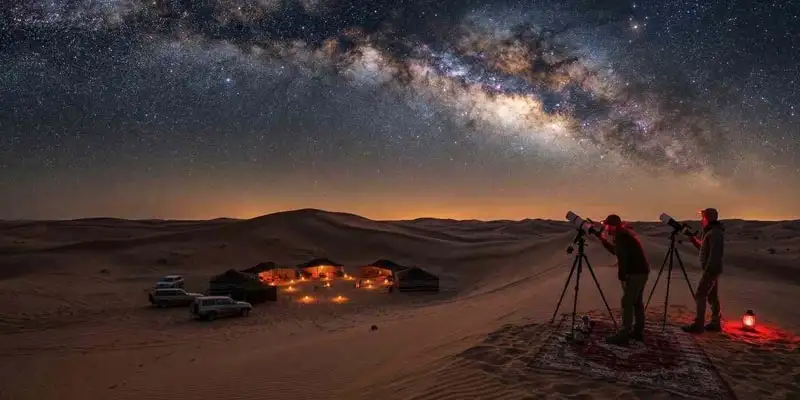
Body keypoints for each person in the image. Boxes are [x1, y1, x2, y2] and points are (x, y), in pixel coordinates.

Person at [592, 214, 651, 345]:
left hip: (635, 273)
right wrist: (602, 240)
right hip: (641, 272)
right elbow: (616, 252)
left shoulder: (620, 236)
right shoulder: (622, 235)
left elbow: (622, 258)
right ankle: (637, 332)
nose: (605, 227)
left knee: (627, 303)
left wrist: (622, 277)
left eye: (607, 225)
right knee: (637, 303)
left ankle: (624, 335)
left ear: (612, 226)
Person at [682, 208, 724, 333]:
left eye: (703, 217)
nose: (702, 220)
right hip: (712, 269)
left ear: (708, 218)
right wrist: (692, 239)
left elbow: (715, 254)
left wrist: (709, 270)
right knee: (712, 296)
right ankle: (715, 322)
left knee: (700, 294)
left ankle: (698, 324)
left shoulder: (714, 233)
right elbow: (704, 249)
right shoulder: (711, 232)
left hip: (711, 270)